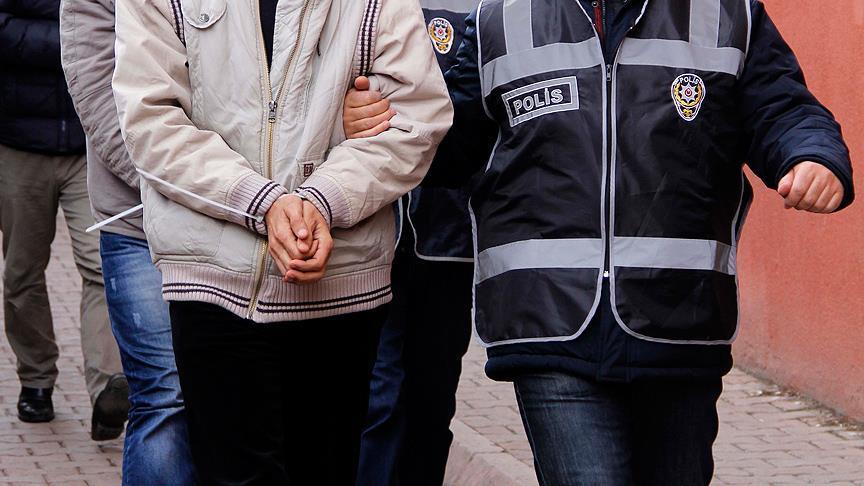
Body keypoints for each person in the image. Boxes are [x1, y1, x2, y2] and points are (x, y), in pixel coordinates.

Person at [344, 0, 855, 484]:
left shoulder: (725, 13)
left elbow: (784, 108)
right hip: (548, 324)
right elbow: (444, 141)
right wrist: (382, 124)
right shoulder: (503, 18)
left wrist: (812, 155)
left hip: (679, 322)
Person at [111, 0, 453, 483]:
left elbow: (416, 116)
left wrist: (322, 200)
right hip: (215, 279)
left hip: (340, 281)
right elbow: (150, 119)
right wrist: (262, 202)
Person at [57, 0, 195, 482]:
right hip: (138, 217)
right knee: (166, 396)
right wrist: (187, 186)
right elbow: (93, 78)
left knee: (241, 397)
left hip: (250, 217)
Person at [349, 1, 478, 485]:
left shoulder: (483, 9)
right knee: (376, 397)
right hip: (365, 230)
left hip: (449, 239)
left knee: (431, 401)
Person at [0, 0, 128, 440]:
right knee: (22, 272)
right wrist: (76, 40)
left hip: (89, 145)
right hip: (18, 145)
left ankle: (107, 389)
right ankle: (36, 377)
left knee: (102, 265)